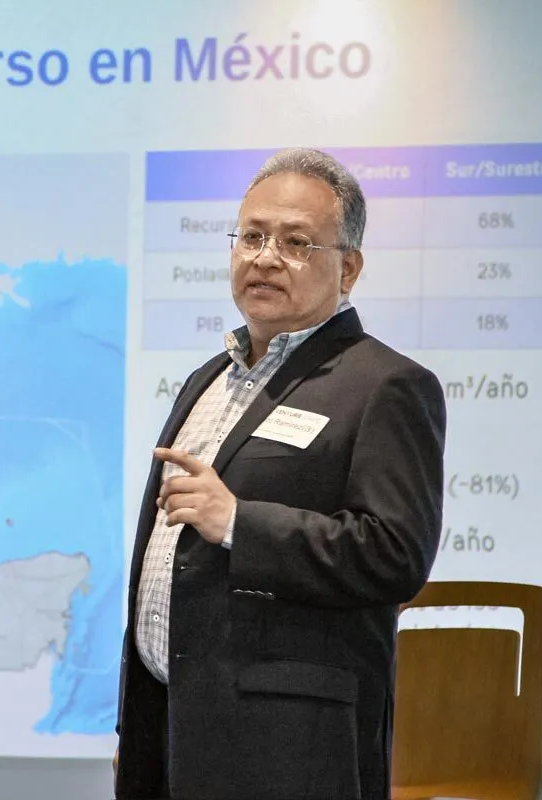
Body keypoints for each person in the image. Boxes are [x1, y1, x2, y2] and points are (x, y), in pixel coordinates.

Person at [113, 147, 447, 800]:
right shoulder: (206, 380)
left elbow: (395, 554)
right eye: (253, 237)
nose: (265, 257)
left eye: (297, 242)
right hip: (173, 726)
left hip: (287, 748)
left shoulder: (385, 386)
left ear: (347, 268)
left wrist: (238, 522)